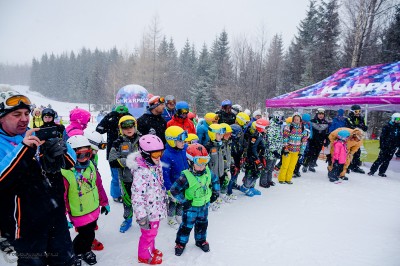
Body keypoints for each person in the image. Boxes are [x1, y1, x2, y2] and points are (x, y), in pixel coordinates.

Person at [0, 91, 77, 265]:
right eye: (16, 114)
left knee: (65, 260)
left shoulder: (35, 133)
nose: (24, 119)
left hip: (55, 214)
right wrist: (24, 149)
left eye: (27, 113)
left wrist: (59, 152)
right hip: (25, 224)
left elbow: (72, 163)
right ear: (1, 118)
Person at [63, 135, 110, 266]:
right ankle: (75, 252)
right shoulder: (66, 173)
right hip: (79, 212)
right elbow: (63, 197)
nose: (84, 159)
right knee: (85, 235)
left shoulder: (91, 167)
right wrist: (63, 215)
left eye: (87, 154)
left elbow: (98, 185)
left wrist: (104, 202)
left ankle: (86, 250)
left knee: (90, 233)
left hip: (93, 208)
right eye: (80, 155)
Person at [170, 143, 220, 256]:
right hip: (191, 207)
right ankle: (180, 243)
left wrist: (215, 193)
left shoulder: (207, 172)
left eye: (205, 161)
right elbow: (174, 190)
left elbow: (215, 180)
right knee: (186, 226)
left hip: (204, 206)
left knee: (202, 224)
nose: (202, 165)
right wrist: (184, 201)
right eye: (199, 162)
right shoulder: (186, 177)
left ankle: (200, 241)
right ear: (190, 161)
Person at [126, 134, 167, 265]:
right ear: (145, 154)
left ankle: (151, 248)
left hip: (156, 208)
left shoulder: (155, 164)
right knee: (148, 234)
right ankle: (143, 256)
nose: (158, 157)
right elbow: (137, 197)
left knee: (153, 233)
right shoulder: (140, 172)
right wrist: (142, 217)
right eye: (155, 154)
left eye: (160, 153)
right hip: (147, 212)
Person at [108, 115, 140, 233]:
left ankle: (143, 218)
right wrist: (127, 162)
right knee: (127, 200)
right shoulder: (118, 142)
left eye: (131, 126)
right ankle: (128, 219)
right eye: (125, 127)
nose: (128, 129)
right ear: (120, 129)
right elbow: (112, 161)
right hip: (126, 178)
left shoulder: (142, 139)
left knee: (142, 199)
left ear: (135, 126)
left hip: (142, 178)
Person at [96, 104, 130, 203]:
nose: (121, 116)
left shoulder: (129, 121)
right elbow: (99, 129)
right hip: (113, 153)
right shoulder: (111, 121)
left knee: (128, 176)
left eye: (124, 114)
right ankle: (116, 195)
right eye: (119, 114)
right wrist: (109, 116)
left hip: (128, 152)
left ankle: (128, 194)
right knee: (116, 176)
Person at [161, 126, 189, 230]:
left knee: (181, 201)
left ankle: (179, 215)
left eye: (183, 140)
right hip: (173, 184)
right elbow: (165, 173)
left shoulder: (183, 149)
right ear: (172, 141)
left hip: (183, 182)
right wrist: (168, 188)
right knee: (173, 202)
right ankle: (171, 218)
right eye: (180, 140)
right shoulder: (166, 155)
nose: (183, 142)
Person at [278, 113, 308, 184]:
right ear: (293, 119)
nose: (296, 120)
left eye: (298, 119)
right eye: (295, 119)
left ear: (300, 120)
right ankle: (281, 179)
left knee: (292, 166)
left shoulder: (303, 128)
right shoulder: (288, 127)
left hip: (296, 150)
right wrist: (285, 148)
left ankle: (288, 179)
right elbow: (285, 138)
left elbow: (304, 141)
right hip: (288, 149)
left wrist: (301, 152)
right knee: (285, 165)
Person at [240, 119, 268, 196]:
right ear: (261, 128)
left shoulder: (261, 135)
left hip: (258, 158)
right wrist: (257, 159)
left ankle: (251, 186)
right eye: (266, 127)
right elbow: (253, 149)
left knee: (257, 172)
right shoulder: (255, 136)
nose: (267, 129)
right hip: (253, 159)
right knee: (251, 173)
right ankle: (245, 187)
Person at [368, 113, 400, 177]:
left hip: (393, 147)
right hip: (385, 146)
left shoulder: (399, 127)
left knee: (387, 160)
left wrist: (398, 145)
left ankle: (382, 172)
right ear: (393, 119)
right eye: (397, 119)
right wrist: (382, 145)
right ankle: (372, 171)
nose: (398, 120)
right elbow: (382, 137)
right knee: (380, 159)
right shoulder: (387, 126)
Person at [204, 123, 226, 211]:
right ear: (212, 135)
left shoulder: (220, 145)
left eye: (221, 134)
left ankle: (214, 199)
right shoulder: (208, 147)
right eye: (218, 134)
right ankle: (209, 202)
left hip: (219, 171)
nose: (221, 136)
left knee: (217, 187)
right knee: (210, 189)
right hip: (211, 173)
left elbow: (223, 157)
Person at [260, 111, 283, 188]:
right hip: (270, 152)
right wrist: (274, 150)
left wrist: (280, 149)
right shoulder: (271, 127)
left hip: (276, 151)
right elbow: (270, 140)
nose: (282, 120)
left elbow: (279, 139)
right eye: (281, 118)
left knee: (271, 168)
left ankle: (269, 180)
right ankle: (263, 182)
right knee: (267, 167)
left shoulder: (278, 126)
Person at [302, 108, 329, 172]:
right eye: (319, 114)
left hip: (320, 141)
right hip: (312, 140)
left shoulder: (326, 123)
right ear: (317, 114)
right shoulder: (312, 121)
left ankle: (312, 165)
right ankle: (305, 165)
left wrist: (326, 140)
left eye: (322, 114)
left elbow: (327, 133)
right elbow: (308, 130)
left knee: (316, 153)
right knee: (309, 153)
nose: (321, 115)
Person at [345, 105, 368, 174]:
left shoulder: (360, 118)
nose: (358, 113)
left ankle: (355, 166)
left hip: (357, 138)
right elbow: (352, 127)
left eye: (359, 111)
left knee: (357, 152)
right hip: (350, 137)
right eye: (356, 111)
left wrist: (363, 127)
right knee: (348, 152)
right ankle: (346, 166)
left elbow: (363, 127)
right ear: (352, 111)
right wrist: (359, 127)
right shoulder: (349, 118)